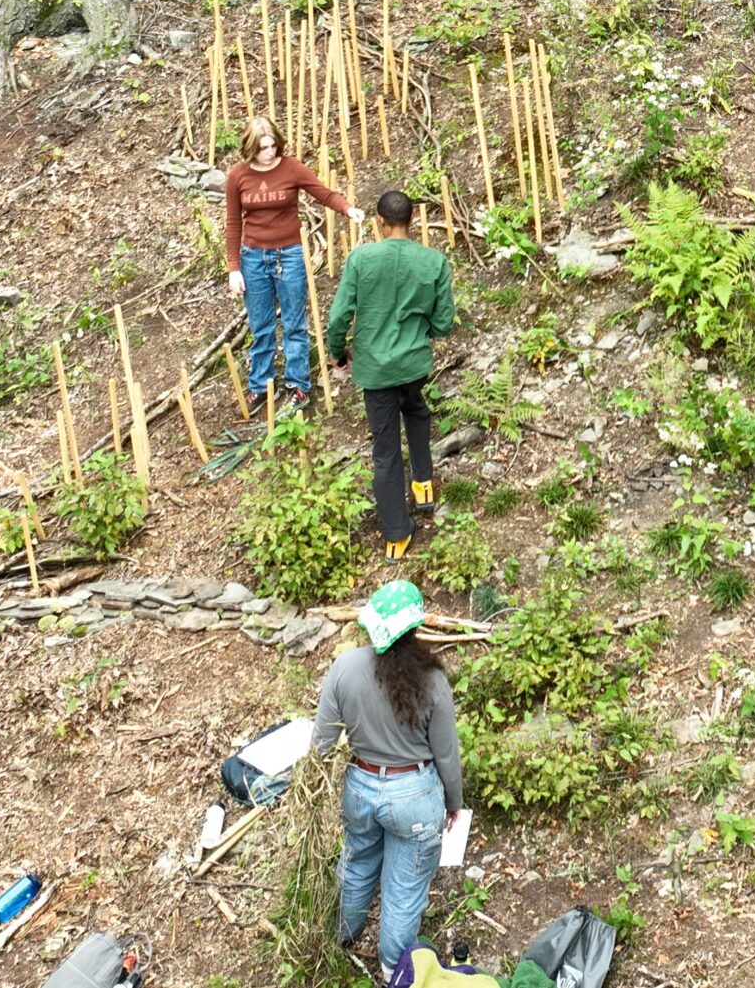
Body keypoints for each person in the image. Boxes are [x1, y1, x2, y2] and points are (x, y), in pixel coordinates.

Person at [314, 581, 464, 972]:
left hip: (360, 787)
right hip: (412, 796)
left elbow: (322, 741)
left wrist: (311, 789)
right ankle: (393, 970)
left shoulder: (344, 667)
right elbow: (446, 752)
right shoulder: (431, 681)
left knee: (357, 860)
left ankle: (340, 935)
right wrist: (453, 803)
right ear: (414, 630)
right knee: (404, 888)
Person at [325, 188, 456, 561]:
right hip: (414, 363)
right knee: (416, 411)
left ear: (380, 221)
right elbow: (444, 322)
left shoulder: (361, 259)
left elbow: (338, 318)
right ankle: (424, 485)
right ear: (412, 220)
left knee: (384, 450)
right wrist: (421, 333)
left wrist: (338, 354)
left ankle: (397, 536)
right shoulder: (433, 262)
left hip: (375, 369)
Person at [224, 114, 360, 408]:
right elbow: (233, 223)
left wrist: (347, 209)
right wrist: (234, 268)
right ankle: (261, 385)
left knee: (294, 323)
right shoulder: (238, 175)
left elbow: (322, 192)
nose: (270, 152)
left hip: (290, 255)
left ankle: (297, 384)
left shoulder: (291, 167)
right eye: (263, 148)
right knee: (260, 326)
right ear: (250, 148)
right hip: (253, 257)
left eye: (273, 145)